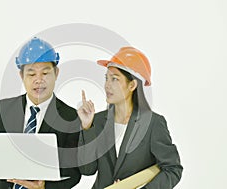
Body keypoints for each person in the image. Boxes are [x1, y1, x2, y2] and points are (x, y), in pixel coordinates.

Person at [0, 37, 81, 189]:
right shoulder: (4, 109)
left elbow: (74, 174)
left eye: (45, 73)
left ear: (56, 73)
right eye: (31, 74)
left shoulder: (70, 117)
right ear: (21, 76)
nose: (38, 80)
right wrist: (12, 166)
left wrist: (44, 187)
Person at [77, 46, 183, 188]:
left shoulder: (153, 124)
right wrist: (87, 127)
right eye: (106, 78)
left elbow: (173, 169)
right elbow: (87, 170)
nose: (107, 85)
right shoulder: (97, 120)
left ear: (132, 85)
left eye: (114, 79)